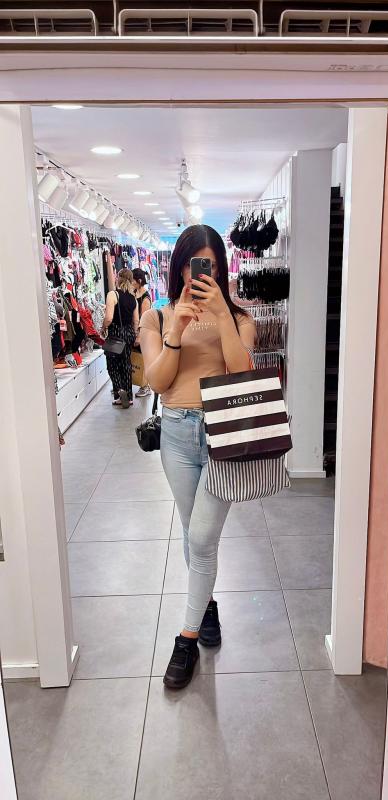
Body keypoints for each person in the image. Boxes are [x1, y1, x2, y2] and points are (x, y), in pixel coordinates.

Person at [140, 224, 256, 690]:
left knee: (203, 537)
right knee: (193, 531)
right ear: (180, 268)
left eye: (209, 265)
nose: (200, 274)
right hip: (176, 434)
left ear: (221, 269)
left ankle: (185, 638)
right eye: (193, 265)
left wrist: (223, 316)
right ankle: (206, 606)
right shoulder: (156, 316)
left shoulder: (239, 318)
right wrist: (175, 332)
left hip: (223, 434)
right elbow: (157, 382)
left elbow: (241, 372)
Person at [102, 268, 138, 409]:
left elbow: (109, 318)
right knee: (126, 365)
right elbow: (136, 320)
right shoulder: (133, 298)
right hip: (129, 334)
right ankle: (128, 396)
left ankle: (119, 390)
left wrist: (103, 327)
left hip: (116, 333)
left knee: (112, 365)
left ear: (118, 278)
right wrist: (135, 335)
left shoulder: (113, 294)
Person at [132, 267, 152, 398]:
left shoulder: (145, 297)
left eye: (133, 280)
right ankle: (140, 383)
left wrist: (139, 336)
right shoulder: (135, 293)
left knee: (143, 359)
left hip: (143, 333)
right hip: (134, 331)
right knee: (137, 358)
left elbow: (143, 319)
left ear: (139, 281)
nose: (131, 283)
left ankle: (146, 386)